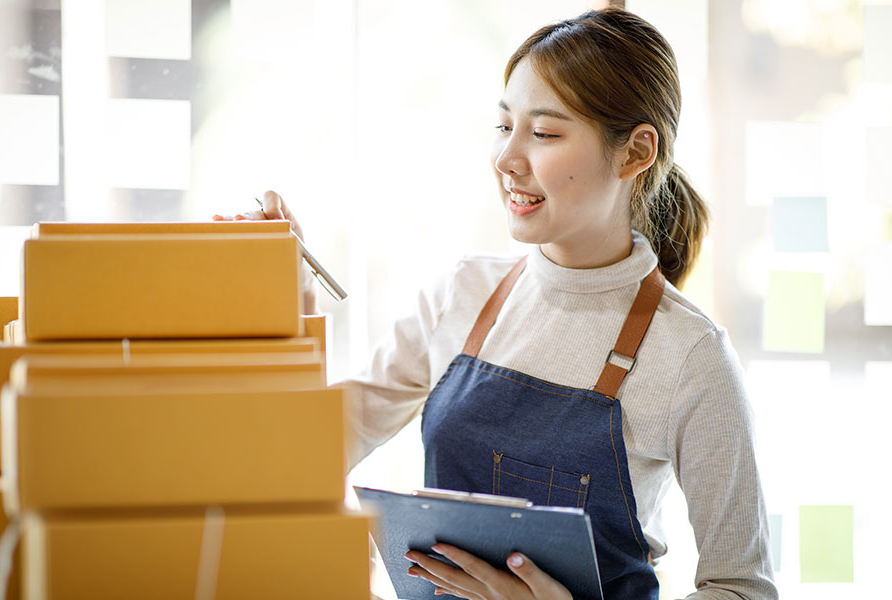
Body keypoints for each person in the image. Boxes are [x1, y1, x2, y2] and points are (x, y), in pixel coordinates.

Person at [218, 7, 776, 600]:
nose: (507, 159)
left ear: (635, 153)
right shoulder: (461, 294)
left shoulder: (690, 356)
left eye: (544, 133)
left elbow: (741, 588)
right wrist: (284, 304)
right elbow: (304, 450)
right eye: (504, 126)